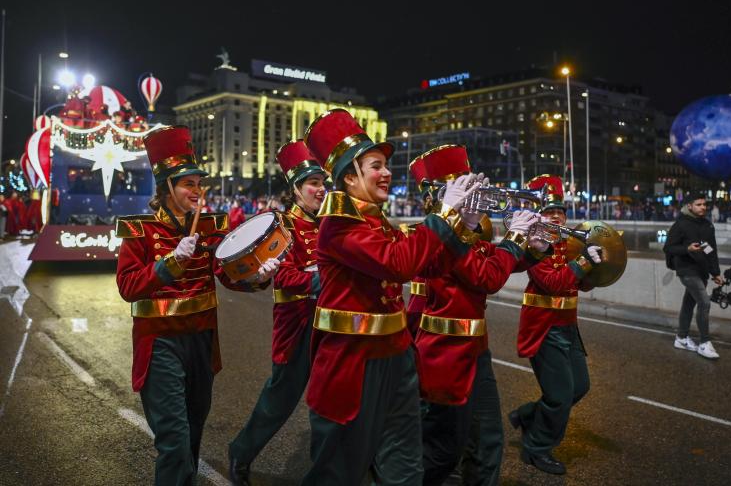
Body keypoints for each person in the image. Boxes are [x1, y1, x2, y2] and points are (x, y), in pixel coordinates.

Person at [301, 109, 479, 485]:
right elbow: (397, 264)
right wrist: (445, 214)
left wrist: (466, 225)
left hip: (396, 355)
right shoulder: (339, 227)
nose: (386, 173)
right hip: (354, 363)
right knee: (339, 472)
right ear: (349, 177)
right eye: (375, 166)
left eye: (385, 165)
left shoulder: (376, 220)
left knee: (405, 465)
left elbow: (426, 267)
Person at [115, 126, 279, 485]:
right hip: (160, 344)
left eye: (199, 183)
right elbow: (128, 287)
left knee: (192, 433)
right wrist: (170, 262)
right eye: (188, 183)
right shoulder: (139, 230)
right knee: (173, 441)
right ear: (167, 187)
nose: (197, 191)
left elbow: (228, 274)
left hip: (202, 342)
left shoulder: (209, 226)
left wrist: (258, 275)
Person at [411, 145, 551, 486]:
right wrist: (516, 235)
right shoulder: (440, 236)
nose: (476, 196)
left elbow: (496, 259)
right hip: (445, 353)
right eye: (465, 188)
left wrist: (534, 249)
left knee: (488, 440)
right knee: (442, 450)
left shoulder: (466, 234)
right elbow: (486, 277)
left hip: (476, 350)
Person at [228, 140, 327, 485]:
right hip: (297, 325)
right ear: (296, 189)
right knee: (279, 401)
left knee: (332, 401)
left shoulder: (330, 222)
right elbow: (281, 274)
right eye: (313, 183)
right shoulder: (280, 224)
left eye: (323, 182)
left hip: (331, 326)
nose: (320, 189)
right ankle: (241, 451)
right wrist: (322, 281)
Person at [507, 175, 603, 476]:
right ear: (538, 215)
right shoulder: (536, 245)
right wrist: (583, 263)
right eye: (549, 211)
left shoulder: (570, 243)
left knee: (580, 387)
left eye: (560, 211)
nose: (556, 216)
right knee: (560, 395)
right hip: (544, 329)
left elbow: (580, 285)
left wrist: (594, 267)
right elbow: (551, 282)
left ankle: (526, 415)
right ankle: (536, 448)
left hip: (568, 327)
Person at [663, 193, 723, 359]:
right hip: (687, 270)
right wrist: (687, 249)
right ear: (689, 206)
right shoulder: (680, 225)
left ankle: (681, 338)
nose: (703, 207)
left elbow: (711, 251)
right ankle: (704, 343)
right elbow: (668, 248)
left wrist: (715, 272)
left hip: (702, 271)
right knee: (704, 302)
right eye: (698, 204)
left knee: (689, 304)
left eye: (704, 204)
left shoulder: (707, 226)